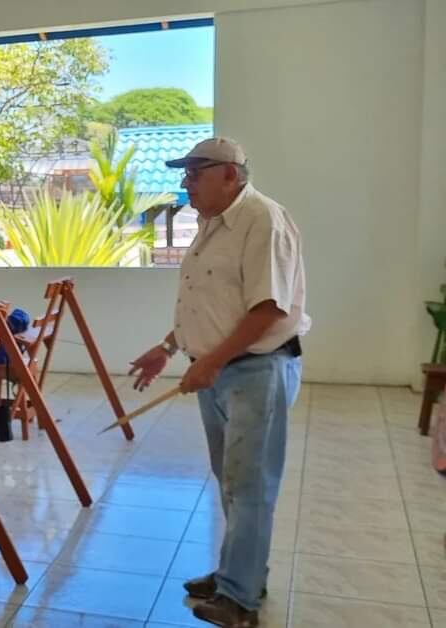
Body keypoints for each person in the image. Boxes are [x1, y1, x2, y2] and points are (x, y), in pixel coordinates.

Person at [129, 138, 309, 628]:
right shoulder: (212, 224)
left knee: (249, 485)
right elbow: (211, 303)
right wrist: (168, 348)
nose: (184, 181)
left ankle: (240, 600)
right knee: (230, 481)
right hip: (222, 370)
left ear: (230, 174)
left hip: (256, 369)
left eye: (194, 172)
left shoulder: (262, 220)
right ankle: (239, 574)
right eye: (184, 173)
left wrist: (212, 361)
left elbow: (268, 307)